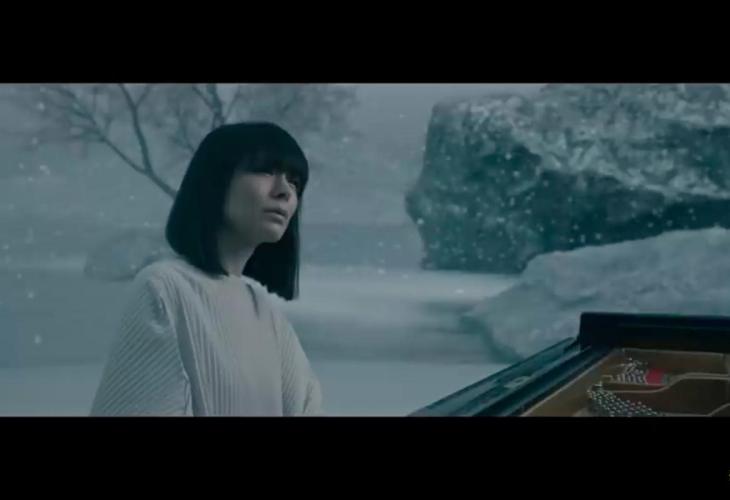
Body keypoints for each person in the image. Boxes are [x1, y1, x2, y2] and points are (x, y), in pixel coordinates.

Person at [90, 122, 323, 416]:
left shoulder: (267, 314)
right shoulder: (164, 288)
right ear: (216, 179)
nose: (285, 191)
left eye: (295, 182)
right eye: (265, 170)